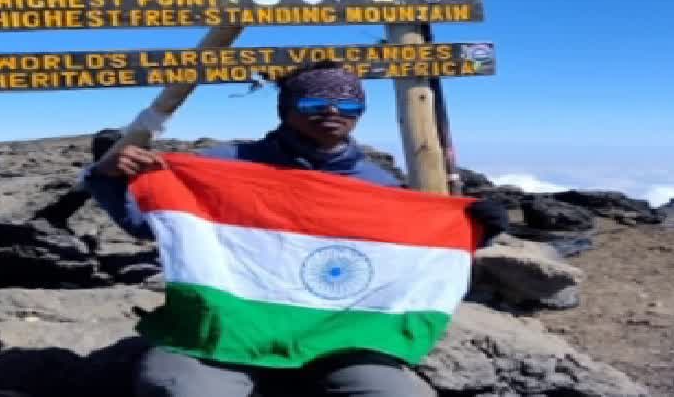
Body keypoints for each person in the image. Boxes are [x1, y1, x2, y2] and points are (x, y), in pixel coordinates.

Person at [84, 61, 509, 397]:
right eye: (313, 105)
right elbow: (147, 225)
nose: (333, 114)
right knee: (180, 389)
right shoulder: (226, 166)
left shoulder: (378, 185)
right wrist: (108, 176)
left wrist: (470, 233)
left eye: (349, 106)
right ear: (286, 109)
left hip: (338, 337)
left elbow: (407, 262)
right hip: (225, 328)